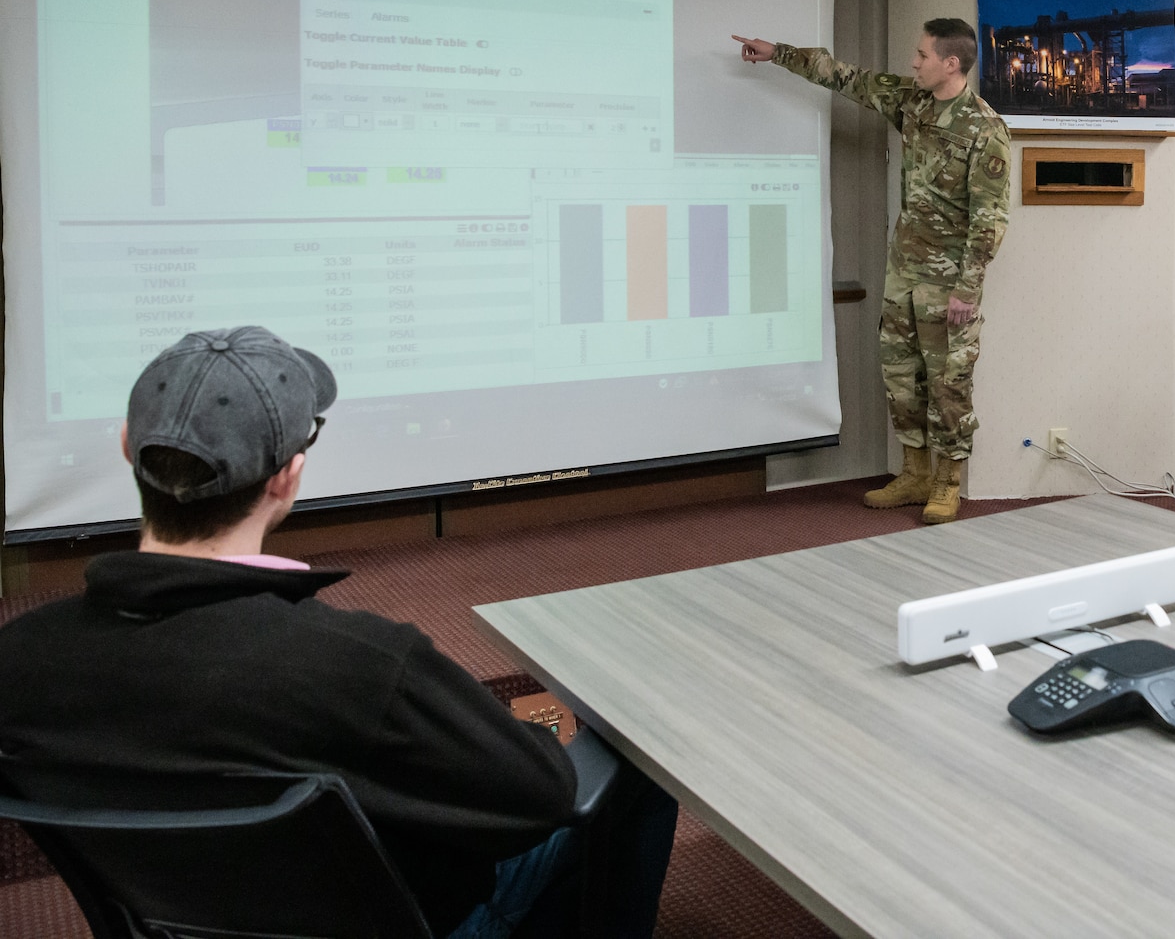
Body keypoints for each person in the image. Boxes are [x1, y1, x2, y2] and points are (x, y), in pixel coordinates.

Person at [0, 327, 676, 937]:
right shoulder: (363, 665)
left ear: (126, 446)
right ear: (289, 476)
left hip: (162, 924)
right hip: (421, 922)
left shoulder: (19, 658)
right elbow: (545, 795)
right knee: (640, 756)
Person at [732, 19, 1010, 524]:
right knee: (902, 378)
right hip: (904, 272)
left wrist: (967, 289)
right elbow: (847, 78)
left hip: (947, 285)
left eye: (923, 55)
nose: (914, 62)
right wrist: (778, 52)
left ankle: (948, 483)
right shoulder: (913, 102)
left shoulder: (984, 128)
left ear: (952, 63)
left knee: (949, 384)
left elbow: (990, 219)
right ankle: (915, 473)